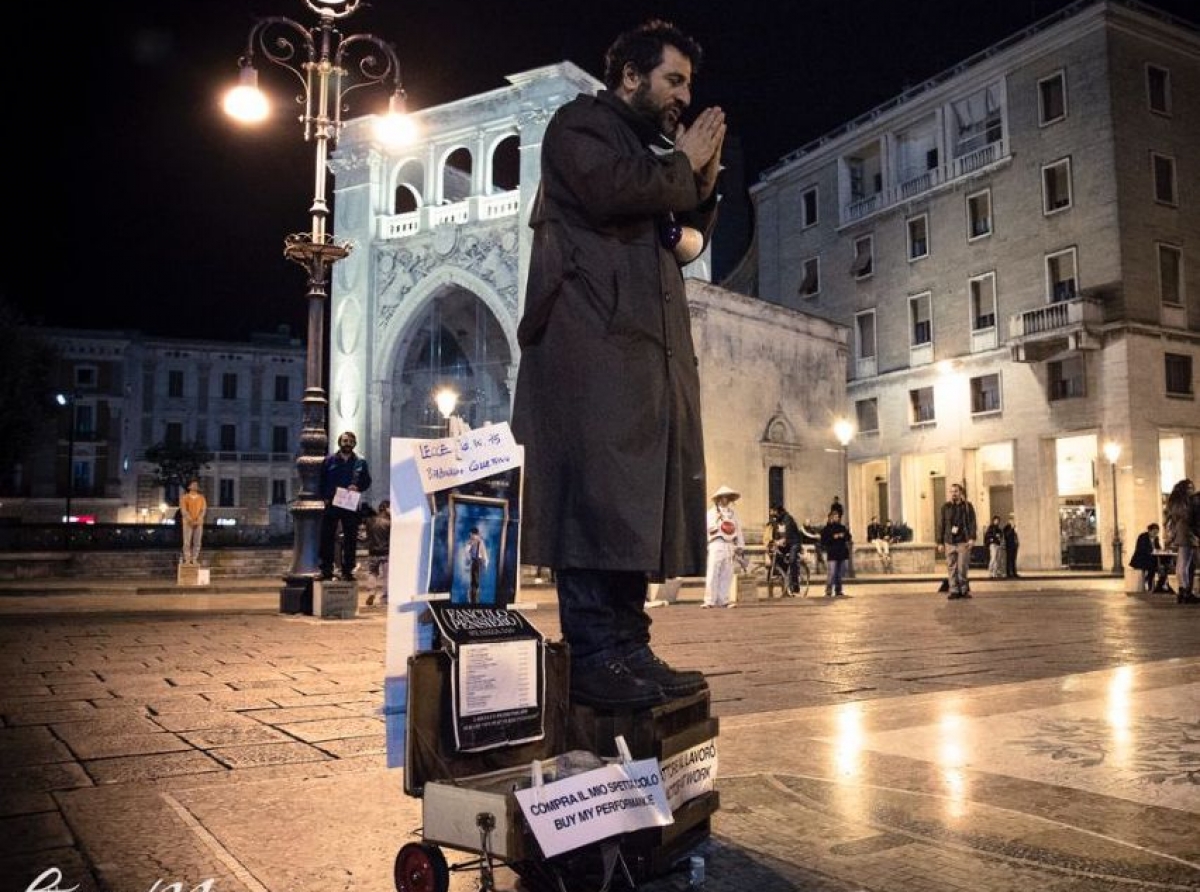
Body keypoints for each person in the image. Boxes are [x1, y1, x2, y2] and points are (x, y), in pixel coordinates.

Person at [509, 19, 726, 711]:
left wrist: (702, 180)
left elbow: (680, 239)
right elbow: (612, 193)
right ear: (630, 76)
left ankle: (630, 648)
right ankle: (596, 655)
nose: (683, 96)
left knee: (636, 503)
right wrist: (682, 166)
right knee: (596, 501)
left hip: (639, 351)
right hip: (590, 346)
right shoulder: (581, 127)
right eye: (673, 79)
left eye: (688, 83)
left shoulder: (651, 151)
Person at [319, 431, 371, 582]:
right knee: (327, 537)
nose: (347, 443)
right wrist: (325, 498)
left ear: (354, 444)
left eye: (350, 441)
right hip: (332, 503)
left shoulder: (360, 462)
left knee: (350, 538)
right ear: (339, 442)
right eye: (344, 440)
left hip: (350, 503)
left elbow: (367, 481)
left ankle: (348, 570)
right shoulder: (329, 460)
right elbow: (321, 480)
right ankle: (326, 569)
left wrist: (358, 486)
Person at [703, 484, 744, 609]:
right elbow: (708, 528)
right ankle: (709, 600)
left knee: (727, 572)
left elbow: (738, 529)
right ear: (719, 499)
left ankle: (724, 599)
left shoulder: (733, 514)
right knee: (713, 571)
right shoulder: (711, 513)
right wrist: (717, 520)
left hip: (729, 544)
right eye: (723, 497)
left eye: (728, 498)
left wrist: (740, 545)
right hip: (717, 543)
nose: (725, 500)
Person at [936, 483, 977, 600]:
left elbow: (972, 523)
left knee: (962, 567)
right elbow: (941, 525)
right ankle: (954, 590)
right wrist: (940, 542)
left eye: (956, 491)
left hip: (963, 541)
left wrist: (972, 538)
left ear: (961, 493)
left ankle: (963, 590)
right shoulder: (945, 507)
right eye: (952, 491)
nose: (953, 494)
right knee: (951, 567)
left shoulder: (967, 507)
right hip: (949, 541)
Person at [1165, 478, 1198, 603]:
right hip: (1186, 534)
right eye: (1190, 488)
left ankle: (1182, 591)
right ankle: (1185, 592)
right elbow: (1188, 517)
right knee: (1184, 564)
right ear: (1184, 489)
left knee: (1182, 564)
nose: (1192, 490)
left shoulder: (1175, 502)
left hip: (1181, 533)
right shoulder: (1185, 503)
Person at [768, 504, 804, 596]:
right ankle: (784, 585)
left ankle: (795, 586)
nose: (771, 513)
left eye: (773, 511)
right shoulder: (777, 520)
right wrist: (774, 542)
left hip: (794, 543)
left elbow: (788, 534)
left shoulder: (788, 519)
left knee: (792, 560)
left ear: (778, 511)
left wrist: (782, 541)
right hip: (785, 544)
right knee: (778, 559)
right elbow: (775, 534)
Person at [1129, 523, 1173, 594]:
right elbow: (1142, 549)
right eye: (1154, 532)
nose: (1155, 534)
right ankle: (1150, 585)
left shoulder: (1156, 538)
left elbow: (1158, 548)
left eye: (1157, 532)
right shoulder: (1143, 537)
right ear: (1149, 530)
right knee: (1152, 566)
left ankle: (1161, 584)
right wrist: (1153, 551)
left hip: (1151, 558)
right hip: (1141, 559)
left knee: (1165, 564)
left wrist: (1161, 550)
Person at [364, 500, 391, 606]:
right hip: (386, 551)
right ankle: (385, 598)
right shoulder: (389, 523)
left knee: (372, 573)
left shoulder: (370, 521)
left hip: (372, 551)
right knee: (387, 576)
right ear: (386, 508)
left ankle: (371, 592)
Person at [820, 507, 852, 597]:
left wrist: (843, 535)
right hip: (832, 553)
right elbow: (823, 541)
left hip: (841, 553)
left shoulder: (842, 527)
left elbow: (849, 537)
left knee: (839, 574)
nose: (836, 518)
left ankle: (838, 590)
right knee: (832, 573)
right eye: (834, 517)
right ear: (830, 518)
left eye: (837, 517)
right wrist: (833, 537)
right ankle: (828, 590)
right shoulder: (826, 529)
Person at [179, 479, 207, 566]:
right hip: (188, 523)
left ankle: (194, 558)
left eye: (196, 485)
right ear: (189, 486)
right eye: (193, 484)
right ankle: (187, 559)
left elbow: (203, 510)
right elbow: (183, 510)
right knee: (187, 541)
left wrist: (199, 519)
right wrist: (190, 519)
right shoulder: (184, 497)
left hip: (199, 523)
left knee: (197, 541)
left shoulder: (201, 498)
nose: (195, 486)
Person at [463, 527, 490, 604]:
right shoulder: (470, 542)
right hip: (473, 561)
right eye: (470, 535)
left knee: (476, 579)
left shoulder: (480, 542)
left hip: (478, 561)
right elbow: (466, 551)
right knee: (473, 579)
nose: (471, 536)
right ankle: (472, 596)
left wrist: (485, 562)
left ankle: (475, 596)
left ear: (476, 535)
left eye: (472, 534)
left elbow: (484, 553)